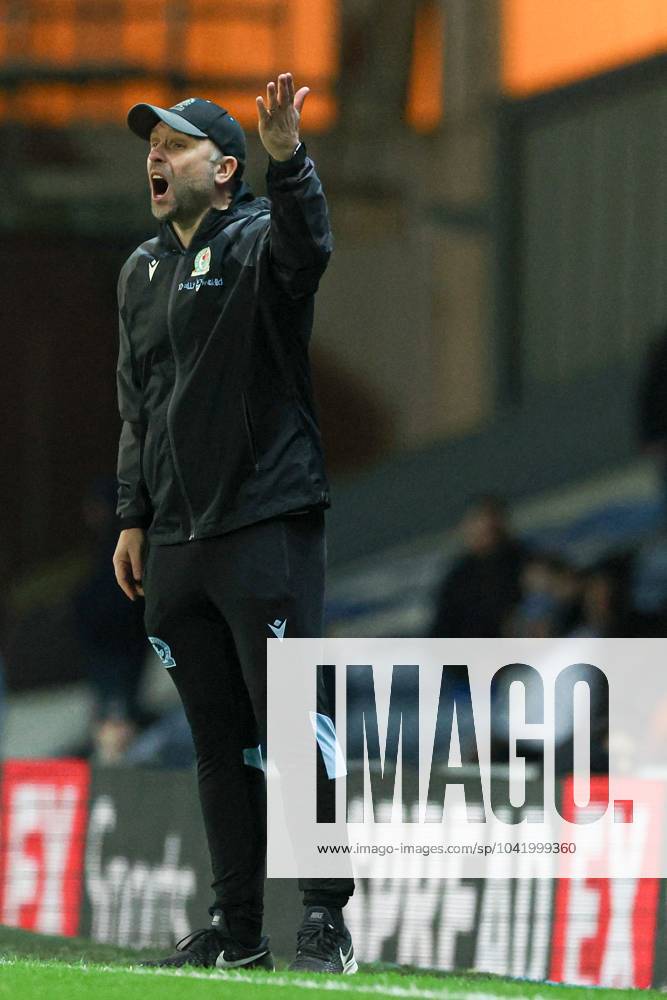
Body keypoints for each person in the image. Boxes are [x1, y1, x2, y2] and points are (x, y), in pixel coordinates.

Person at [112, 74, 356, 973]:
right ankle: (239, 928)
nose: (154, 157)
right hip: (176, 537)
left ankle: (324, 917)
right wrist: (133, 516)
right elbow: (137, 404)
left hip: (265, 519)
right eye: (150, 145)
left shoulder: (259, 242)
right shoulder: (139, 271)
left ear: (221, 170)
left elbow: (310, 247)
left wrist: (288, 157)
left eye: (172, 146)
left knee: (296, 725)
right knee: (217, 742)